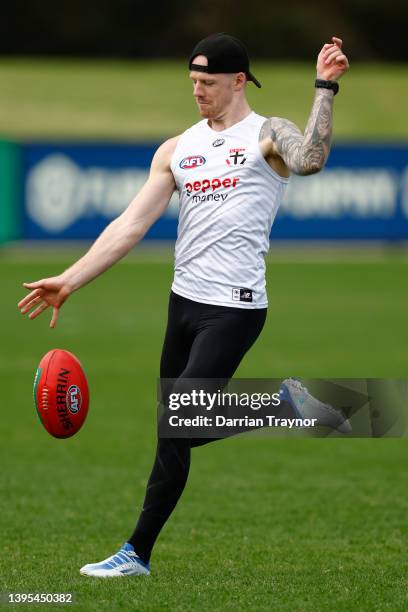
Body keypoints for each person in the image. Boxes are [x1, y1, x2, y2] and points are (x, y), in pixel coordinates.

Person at [18, 33, 349, 577]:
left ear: (239, 81)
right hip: (184, 305)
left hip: (234, 308)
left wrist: (325, 87)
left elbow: (310, 158)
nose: (198, 91)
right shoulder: (177, 148)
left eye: (209, 83)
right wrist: (71, 280)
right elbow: (131, 224)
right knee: (171, 437)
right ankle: (136, 555)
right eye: (193, 82)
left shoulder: (267, 134)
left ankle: (286, 405)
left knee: (179, 418)